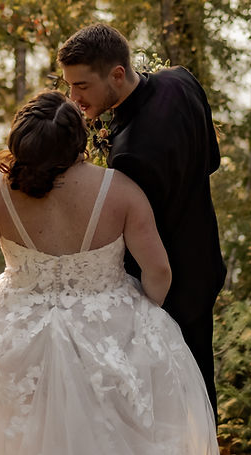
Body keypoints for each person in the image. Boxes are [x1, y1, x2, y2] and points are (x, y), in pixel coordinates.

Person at [0, 90, 218, 454]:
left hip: (17, 336)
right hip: (108, 333)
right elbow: (158, 270)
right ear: (78, 138)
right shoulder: (121, 190)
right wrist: (140, 317)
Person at [57, 23, 227, 414]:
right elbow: (211, 161)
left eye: (81, 86)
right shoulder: (181, 81)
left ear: (117, 74)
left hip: (167, 286)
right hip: (204, 263)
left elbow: (133, 240)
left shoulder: (131, 156)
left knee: (167, 402)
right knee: (200, 389)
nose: (73, 97)